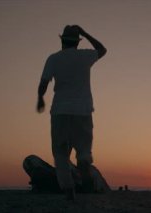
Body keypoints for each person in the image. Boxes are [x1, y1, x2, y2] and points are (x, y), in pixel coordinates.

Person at [36, 25, 107, 201]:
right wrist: (85, 32)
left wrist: (40, 98)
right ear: (77, 41)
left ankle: (69, 191)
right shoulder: (85, 56)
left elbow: (44, 82)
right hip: (82, 111)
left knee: (60, 153)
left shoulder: (53, 59)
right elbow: (102, 49)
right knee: (83, 149)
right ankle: (83, 159)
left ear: (62, 40)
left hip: (60, 111)